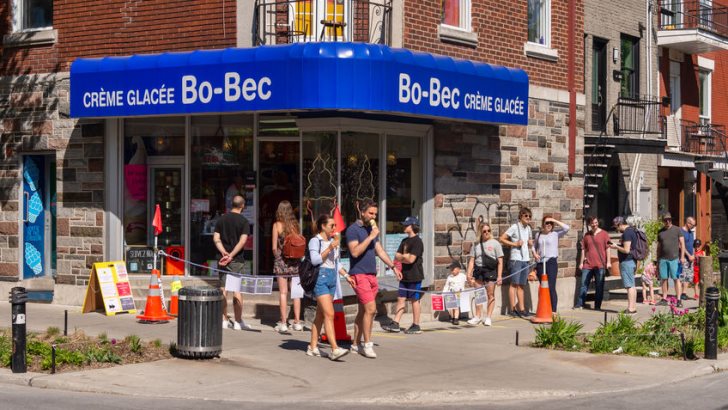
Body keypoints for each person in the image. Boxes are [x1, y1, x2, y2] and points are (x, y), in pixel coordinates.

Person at [346, 199, 400, 359]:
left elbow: (380, 251)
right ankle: (367, 344)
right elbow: (355, 252)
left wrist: (393, 266)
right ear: (362, 212)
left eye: (375, 214)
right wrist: (370, 237)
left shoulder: (371, 229)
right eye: (370, 213)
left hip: (371, 274)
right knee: (371, 309)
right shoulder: (353, 230)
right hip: (359, 273)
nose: (373, 217)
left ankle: (355, 344)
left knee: (363, 311)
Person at [306, 214, 353, 361]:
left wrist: (347, 276)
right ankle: (334, 348)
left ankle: (312, 347)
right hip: (321, 278)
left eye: (335, 226)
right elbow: (315, 260)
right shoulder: (315, 241)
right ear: (323, 226)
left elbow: (336, 263)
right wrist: (331, 247)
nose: (334, 228)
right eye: (331, 225)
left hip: (333, 277)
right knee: (329, 314)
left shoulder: (333, 241)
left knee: (321, 315)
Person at [213, 194, 252, 330]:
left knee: (223, 289)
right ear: (242, 206)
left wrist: (224, 252)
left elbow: (216, 238)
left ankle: (223, 319)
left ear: (232, 205)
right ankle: (238, 321)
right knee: (237, 290)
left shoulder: (221, 219)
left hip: (222, 259)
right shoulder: (244, 222)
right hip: (236, 260)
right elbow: (242, 241)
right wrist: (231, 255)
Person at [382, 216, 425, 334]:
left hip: (415, 275)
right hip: (404, 275)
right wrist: (403, 257)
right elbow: (396, 256)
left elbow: (411, 260)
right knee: (400, 298)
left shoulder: (417, 241)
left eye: (407, 224)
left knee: (414, 300)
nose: (404, 226)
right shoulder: (404, 241)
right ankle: (395, 323)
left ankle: (416, 325)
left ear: (413, 226)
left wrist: (404, 257)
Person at [272, 200, 303, 333]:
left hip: (282, 261)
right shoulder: (295, 225)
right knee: (296, 293)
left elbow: (274, 247)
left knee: (283, 292)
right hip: (295, 262)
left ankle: (283, 323)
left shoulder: (277, 225)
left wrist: (278, 257)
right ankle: (297, 322)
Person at [499, 207, 536, 317]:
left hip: (525, 259)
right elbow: (502, 238)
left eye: (529, 216)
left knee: (521, 285)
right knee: (514, 284)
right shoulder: (515, 227)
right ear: (521, 216)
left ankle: (522, 309)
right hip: (516, 259)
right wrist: (514, 244)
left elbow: (528, 241)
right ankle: (512, 309)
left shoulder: (528, 228)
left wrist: (530, 243)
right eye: (526, 216)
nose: (528, 218)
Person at [467, 222, 503, 326]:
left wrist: (499, 276)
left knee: (490, 294)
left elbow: (500, 261)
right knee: (478, 294)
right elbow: (471, 260)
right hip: (479, 270)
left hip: (490, 270)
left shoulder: (495, 244)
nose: (487, 233)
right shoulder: (476, 244)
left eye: (488, 230)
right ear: (480, 232)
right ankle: (478, 316)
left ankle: (488, 317)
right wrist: (468, 274)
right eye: (484, 231)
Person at [534, 216, 570, 313]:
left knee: (551, 286)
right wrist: (535, 254)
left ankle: (553, 311)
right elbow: (534, 246)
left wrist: (554, 220)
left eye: (551, 223)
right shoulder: (539, 234)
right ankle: (544, 308)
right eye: (547, 223)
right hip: (541, 263)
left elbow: (567, 228)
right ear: (543, 224)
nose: (549, 224)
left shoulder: (555, 234)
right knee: (542, 287)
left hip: (551, 262)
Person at [576, 216, 610, 310]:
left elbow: (608, 248)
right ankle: (580, 304)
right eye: (592, 223)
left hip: (600, 264)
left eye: (595, 222)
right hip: (588, 264)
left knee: (599, 286)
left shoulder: (604, 234)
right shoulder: (587, 235)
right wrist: (581, 263)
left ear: (597, 222)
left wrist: (609, 262)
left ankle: (597, 306)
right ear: (589, 224)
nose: (594, 224)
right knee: (583, 285)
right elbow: (583, 249)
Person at [655, 212, 686, 307]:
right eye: (665, 220)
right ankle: (664, 298)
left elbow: (682, 244)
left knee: (676, 279)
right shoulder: (660, 232)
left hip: (674, 258)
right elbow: (659, 247)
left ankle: (679, 300)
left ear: (671, 220)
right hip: (663, 259)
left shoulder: (677, 230)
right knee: (664, 279)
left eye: (669, 219)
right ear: (663, 221)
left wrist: (682, 257)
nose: (667, 221)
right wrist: (657, 260)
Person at [612, 216, 638, 314]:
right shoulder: (632, 231)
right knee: (632, 285)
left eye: (616, 227)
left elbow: (626, 250)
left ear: (620, 224)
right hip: (632, 261)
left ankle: (631, 308)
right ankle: (633, 307)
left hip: (627, 262)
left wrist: (616, 247)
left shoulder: (627, 233)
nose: (616, 229)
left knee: (629, 285)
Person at [679, 216, 696, 300]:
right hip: (684, 257)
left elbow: (692, 245)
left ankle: (684, 293)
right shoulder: (680, 231)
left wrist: (693, 254)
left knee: (688, 275)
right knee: (683, 275)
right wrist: (688, 255)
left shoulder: (691, 232)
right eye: (692, 225)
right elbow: (680, 245)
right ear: (688, 223)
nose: (693, 226)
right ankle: (681, 292)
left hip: (691, 257)